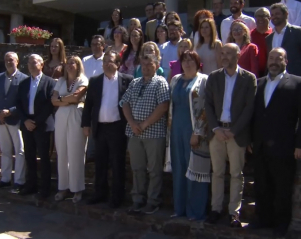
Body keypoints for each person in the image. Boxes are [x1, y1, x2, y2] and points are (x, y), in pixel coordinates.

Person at [249, 48, 301, 237]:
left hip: (285, 147)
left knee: (282, 188)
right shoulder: (258, 83)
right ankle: (262, 219)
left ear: (286, 61)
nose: (274, 61)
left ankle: (281, 224)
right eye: (271, 58)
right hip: (259, 146)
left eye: (279, 58)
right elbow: (254, 115)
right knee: (261, 186)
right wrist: (250, 140)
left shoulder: (298, 83)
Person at [204, 43, 257, 227]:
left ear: (238, 55)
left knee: (236, 174)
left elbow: (249, 108)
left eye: (229, 53)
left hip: (237, 133)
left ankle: (234, 212)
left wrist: (234, 130)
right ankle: (216, 209)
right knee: (217, 173)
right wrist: (216, 129)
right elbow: (208, 105)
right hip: (217, 132)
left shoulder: (249, 79)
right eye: (222, 53)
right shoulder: (214, 77)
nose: (224, 56)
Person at [82, 51, 134, 208]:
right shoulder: (95, 81)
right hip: (100, 128)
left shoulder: (127, 80)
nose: (105, 64)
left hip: (117, 127)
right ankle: (99, 193)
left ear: (118, 64)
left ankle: (117, 197)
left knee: (117, 164)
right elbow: (89, 104)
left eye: (109, 61)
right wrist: (86, 124)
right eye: (104, 61)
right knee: (100, 163)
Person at [121, 54, 170, 214]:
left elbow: (163, 106)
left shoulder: (160, 82)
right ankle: (138, 199)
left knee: (154, 170)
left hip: (154, 134)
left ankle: (153, 201)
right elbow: (124, 103)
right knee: (137, 168)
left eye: (149, 64)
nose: (146, 67)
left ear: (156, 65)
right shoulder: (135, 82)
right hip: (134, 133)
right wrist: (133, 123)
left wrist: (144, 124)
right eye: (143, 65)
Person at [168, 50, 210, 220]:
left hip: (194, 132)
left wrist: (198, 132)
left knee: (195, 171)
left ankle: (196, 211)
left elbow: (207, 108)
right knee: (179, 169)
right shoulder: (175, 80)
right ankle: (180, 208)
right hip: (176, 130)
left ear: (198, 62)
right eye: (184, 60)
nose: (187, 63)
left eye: (191, 60)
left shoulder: (204, 80)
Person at [16, 54, 56, 199]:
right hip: (27, 124)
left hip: (43, 124)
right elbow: (18, 103)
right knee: (29, 156)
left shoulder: (49, 82)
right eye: (29, 63)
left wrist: (36, 122)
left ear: (41, 65)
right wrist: (26, 120)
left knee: (44, 158)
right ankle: (31, 185)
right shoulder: (24, 83)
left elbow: (49, 105)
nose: (31, 65)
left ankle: (45, 189)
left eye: (34, 63)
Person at [0, 52, 27, 193]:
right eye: (6, 60)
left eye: (11, 60)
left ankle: (19, 181)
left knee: (20, 151)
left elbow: (24, 101)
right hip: (1, 121)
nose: (8, 62)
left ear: (17, 61)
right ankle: (5, 179)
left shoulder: (24, 79)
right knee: (5, 151)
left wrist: (10, 111)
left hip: (15, 120)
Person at [51, 56, 88, 203]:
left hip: (76, 116)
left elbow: (76, 97)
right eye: (68, 63)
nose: (70, 65)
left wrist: (62, 99)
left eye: (73, 63)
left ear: (78, 65)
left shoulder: (83, 80)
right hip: (60, 117)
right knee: (62, 153)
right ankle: (63, 187)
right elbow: (53, 100)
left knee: (76, 153)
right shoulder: (60, 81)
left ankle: (77, 189)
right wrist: (66, 99)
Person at [266, 3, 301, 77]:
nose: (274, 17)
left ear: (286, 14)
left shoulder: (298, 32)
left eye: (277, 14)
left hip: (295, 78)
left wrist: (299, 72)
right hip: (275, 79)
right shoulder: (269, 38)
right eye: (272, 15)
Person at [83, 35, 105, 164]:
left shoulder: (107, 60)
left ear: (103, 46)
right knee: (89, 126)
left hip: (104, 98)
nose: (95, 47)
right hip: (88, 98)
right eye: (93, 44)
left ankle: (98, 153)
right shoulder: (85, 60)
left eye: (98, 44)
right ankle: (90, 154)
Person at [251, 8, 272, 78]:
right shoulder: (249, 35)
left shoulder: (274, 34)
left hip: (271, 71)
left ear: (269, 18)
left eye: (264, 16)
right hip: (253, 72)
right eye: (258, 16)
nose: (260, 18)